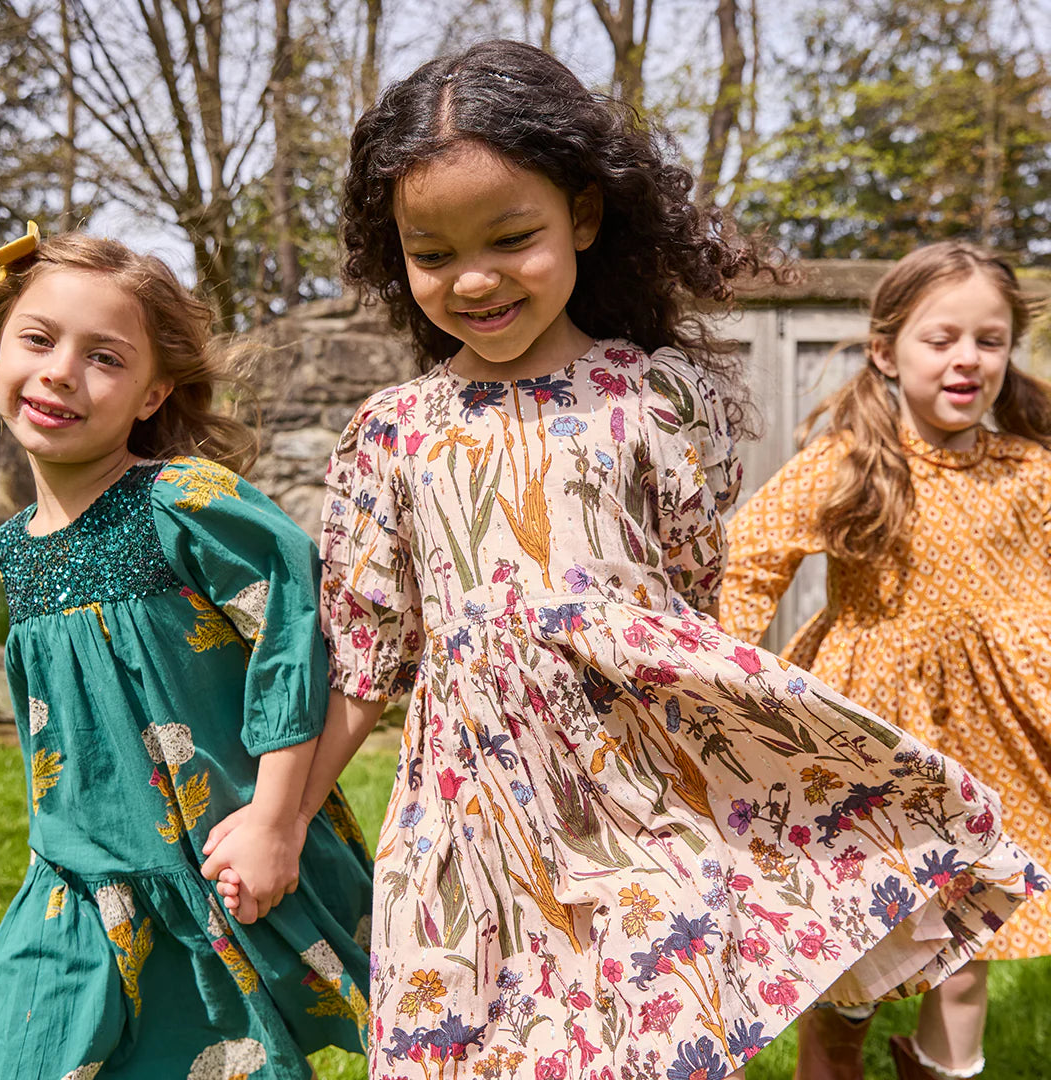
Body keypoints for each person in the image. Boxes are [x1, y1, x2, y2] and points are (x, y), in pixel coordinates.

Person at [234, 41, 1041, 1080]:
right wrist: (279, 821)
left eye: (510, 235)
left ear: (582, 213)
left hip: (635, 803)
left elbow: (689, 604)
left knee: (648, 1043)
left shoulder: (659, 400)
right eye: (430, 252)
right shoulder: (394, 431)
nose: (473, 276)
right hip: (467, 816)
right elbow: (364, 652)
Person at [0, 224, 373, 1080]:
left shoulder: (182, 501)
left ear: (153, 395)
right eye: (37, 339)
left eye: (105, 358)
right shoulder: (12, 548)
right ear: (0, 348)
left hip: (209, 863)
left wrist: (275, 819)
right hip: (71, 880)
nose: (59, 371)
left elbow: (292, 631)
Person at [720, 241, 1051, 1080]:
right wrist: (724, 683)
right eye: (941, 339)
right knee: (849, 963)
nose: (968, 359)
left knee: (970, 946)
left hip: (997, 743)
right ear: (886, 349)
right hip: (878, 745)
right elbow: (749, 560)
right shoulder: (854, 462)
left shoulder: (1031, 471)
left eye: (990, 339)